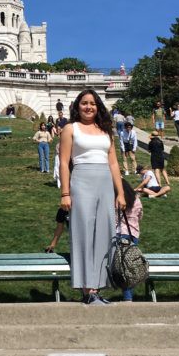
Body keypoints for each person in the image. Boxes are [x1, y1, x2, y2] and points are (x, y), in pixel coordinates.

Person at [58, 90, 126, 306]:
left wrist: (121, 192)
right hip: (82, 181)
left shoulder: (106, 130)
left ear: (98, 107)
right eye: (84, 103)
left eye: (93, 103)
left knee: (105, 233)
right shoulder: (70, 128)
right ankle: (87, 290)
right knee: (84, 233)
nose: (89, 107)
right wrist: (65, 193)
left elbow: (114, 163)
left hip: (105, 182)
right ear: (77, 106)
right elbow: (63, 162)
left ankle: (97, 287)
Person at [116, 179, 143, 301]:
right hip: (133, 235)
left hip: (120, 234)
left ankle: (127, 298)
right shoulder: (136, 200)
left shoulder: (116, 201)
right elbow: (140, 216)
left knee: (122, 268)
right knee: (129, 267)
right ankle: (128, 298)